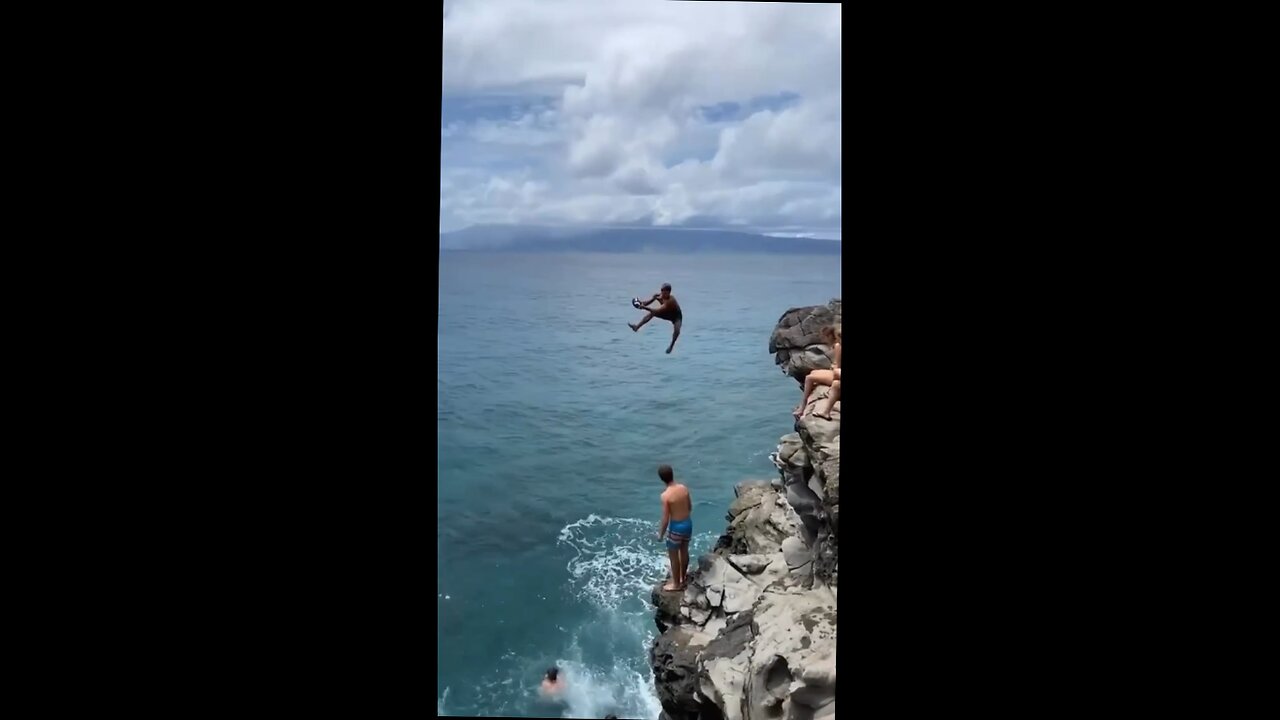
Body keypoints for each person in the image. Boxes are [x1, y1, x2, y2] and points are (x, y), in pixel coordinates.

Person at [654, 464, 693, 591]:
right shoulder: (683, 488)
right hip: (688, 524)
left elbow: (666, 518)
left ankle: (676, 584)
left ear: (661, 479)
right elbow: (689, 507)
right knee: (684, 551)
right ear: (672, 474)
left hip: (676, 527)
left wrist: (660, 534)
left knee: (673, 556)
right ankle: (683, 577)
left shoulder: (665, 496)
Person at [793, 325, 841, 419]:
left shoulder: (838, 346)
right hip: (836, 373)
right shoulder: (837, 345)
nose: (823, 339)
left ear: (829, 336)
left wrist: (834, 367)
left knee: (809, 378)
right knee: (813, 372)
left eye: (824, 336)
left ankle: (803, 406)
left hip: (836, 375)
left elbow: (837, 367)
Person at [629, 283, 683, 354]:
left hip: (676, 317)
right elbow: (648, 302)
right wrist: (640, 304)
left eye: (664, 292)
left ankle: (671, 346)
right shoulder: (659, 296)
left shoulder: (670, 301)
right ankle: (637, 327)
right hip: (667, 313)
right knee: (651, 314)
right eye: (661, 290)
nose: (662, 293)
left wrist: (644, 308)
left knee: (677, 331)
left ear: (668, 292)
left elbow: (655, 311)